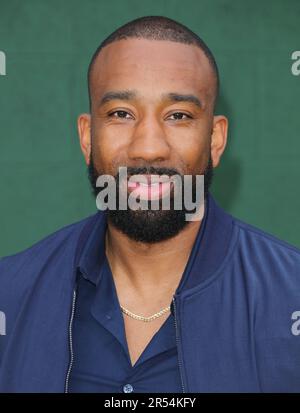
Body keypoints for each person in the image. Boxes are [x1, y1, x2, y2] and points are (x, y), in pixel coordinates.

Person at [0, 15, 300, 393]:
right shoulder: (9, 297)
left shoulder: (291, 297)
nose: (148, 148)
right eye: (121, 114)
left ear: (216, 140)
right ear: (87, 138)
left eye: (178, 116)